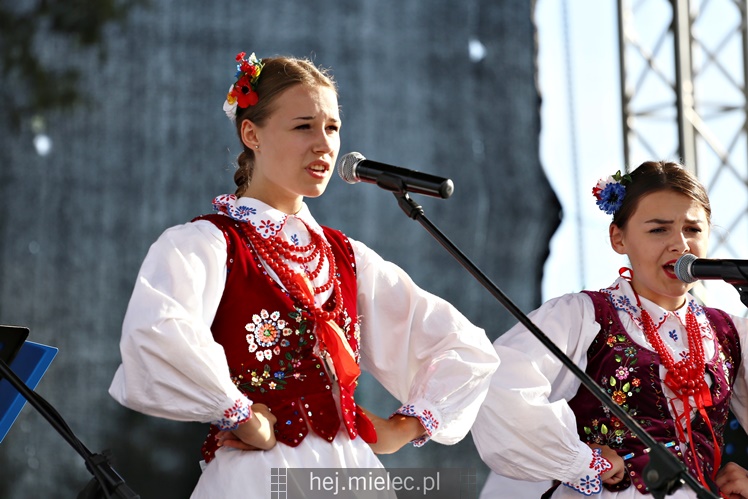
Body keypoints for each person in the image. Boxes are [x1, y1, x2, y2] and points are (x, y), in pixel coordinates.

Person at [108, 51, 499, 498]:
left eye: (332, 127)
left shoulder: (347, 257)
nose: (325, 145)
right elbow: (157, 328)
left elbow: (462, 347)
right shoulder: (209, 242)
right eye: (303, 127)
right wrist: (239, 413)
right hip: (260, 475)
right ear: (251, 133)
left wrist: (405, 426)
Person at [471, 161, 748, 498]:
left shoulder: (728, 333)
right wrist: (581, 461)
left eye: (693, 229)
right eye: (658, 229)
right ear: (619, 238)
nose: (680, 244)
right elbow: (501, 384)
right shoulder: (582, 316)